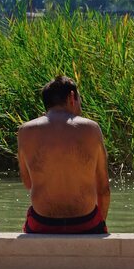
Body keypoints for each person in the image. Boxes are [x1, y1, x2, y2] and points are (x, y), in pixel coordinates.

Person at [17, 75, 111, 234]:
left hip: (42, 222)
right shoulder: (91, 129)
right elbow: (103, 189)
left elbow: (28, 183)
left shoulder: (25, 131)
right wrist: (100, 224)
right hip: (86, 222)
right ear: (72, 97)